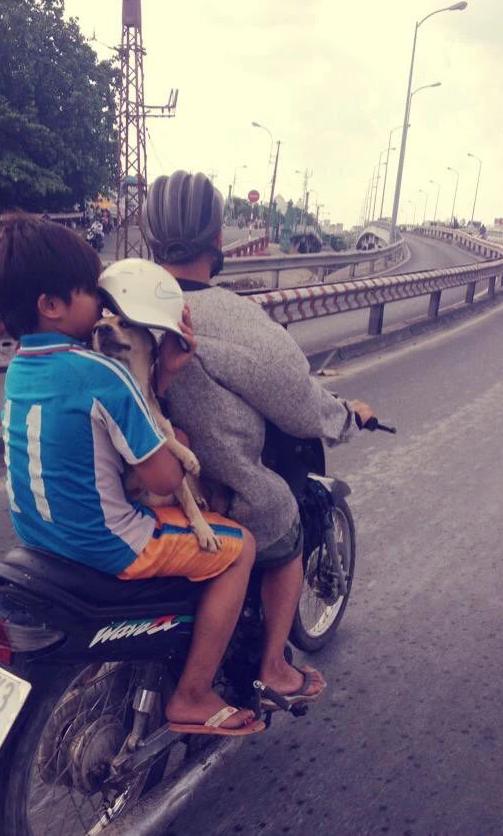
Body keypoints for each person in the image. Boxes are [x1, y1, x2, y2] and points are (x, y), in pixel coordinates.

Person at [0, 212, 262, 736]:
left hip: (39, 540)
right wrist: (180, 446)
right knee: (240, 546)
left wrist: (166, 372)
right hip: (109, 544)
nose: (102, 305)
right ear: (52, 304)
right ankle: (194, 694)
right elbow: (159, 479)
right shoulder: (101, 372)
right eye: (91, 292)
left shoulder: (20, 368)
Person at [142, 170, 375, 704]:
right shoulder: (237, 318)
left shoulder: (120, 305)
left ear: (150, 237)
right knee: (281, 514)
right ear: (219, 240)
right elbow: (295, 403)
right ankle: (272, 667)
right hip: (217, 490)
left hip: (132, 481)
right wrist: (343, 415)